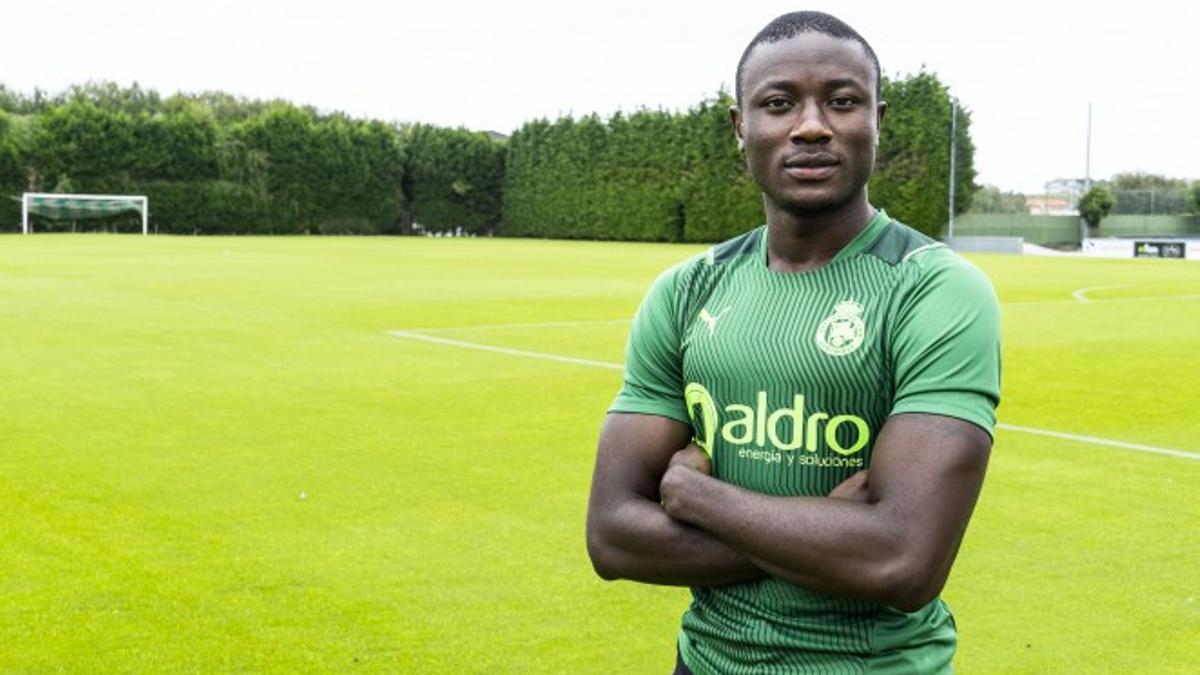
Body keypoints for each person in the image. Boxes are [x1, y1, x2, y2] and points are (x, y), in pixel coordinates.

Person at [585, 11, 1001, 674]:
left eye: (842, 101)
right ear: (740, 127)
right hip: (703, 662)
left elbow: (903, 559)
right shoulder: (687, 291)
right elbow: (612, 536)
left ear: (877, 120)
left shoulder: (934, 290)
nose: (811, 126)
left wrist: (699, 499)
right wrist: (817, 531)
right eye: (779, 104)